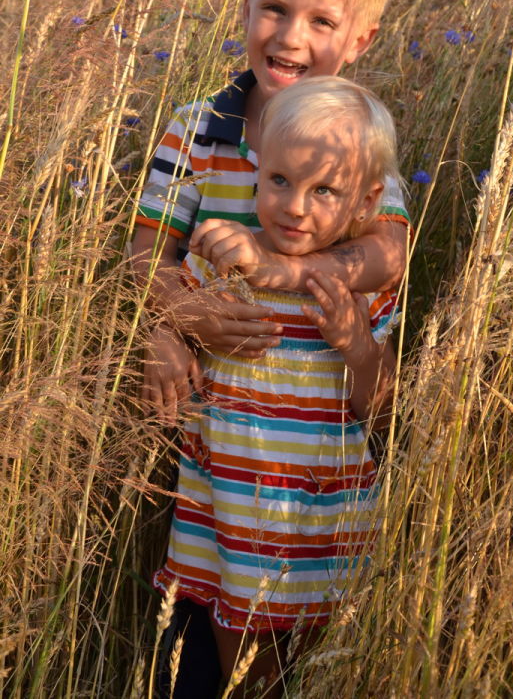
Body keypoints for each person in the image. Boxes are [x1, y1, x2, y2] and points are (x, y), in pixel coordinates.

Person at [131, 0, 410, 698]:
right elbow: (143, 259)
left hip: (315, 471)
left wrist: (286, 271)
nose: (291, 36)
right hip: (227, 464)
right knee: (215, 647)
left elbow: (388, 253)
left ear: (360, 39)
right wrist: (170, 322)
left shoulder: (355, 151)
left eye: (322, 20)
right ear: (246, 7)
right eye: (275, 9)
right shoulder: (196, 133)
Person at [156, 77, 402, 698]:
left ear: (366, 203)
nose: (295, 206)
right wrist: (169, 331)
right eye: (281, 182)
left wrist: (356, 343)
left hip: (322, 504)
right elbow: (162, 314)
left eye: (324, 190)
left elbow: (381, 401)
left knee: (316, 668)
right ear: (258, 171)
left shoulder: (356, 285)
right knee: (246, 673)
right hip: (228, 500)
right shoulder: (220, 259)